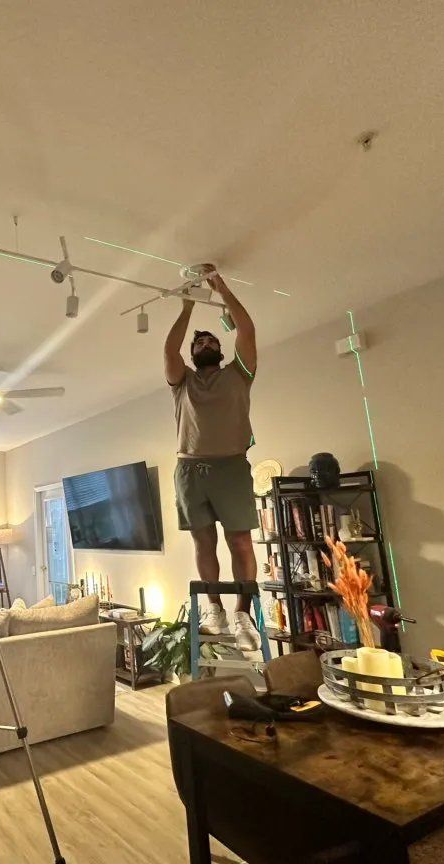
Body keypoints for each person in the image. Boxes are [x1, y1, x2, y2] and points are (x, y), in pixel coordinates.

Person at [164, 264, 261, 652]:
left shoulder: (240, 373)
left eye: (209, 341)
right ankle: (215, 609)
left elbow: (247, 329)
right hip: (189, 469)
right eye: (198, 343)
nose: (204, 343)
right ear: (193, 354)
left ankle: (242, 613)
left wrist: (220, 287)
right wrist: (187, 306)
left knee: (240, 542)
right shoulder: (182, 382)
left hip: (232, 467)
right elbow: (169, 349)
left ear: (220, 350)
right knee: (204, 544)